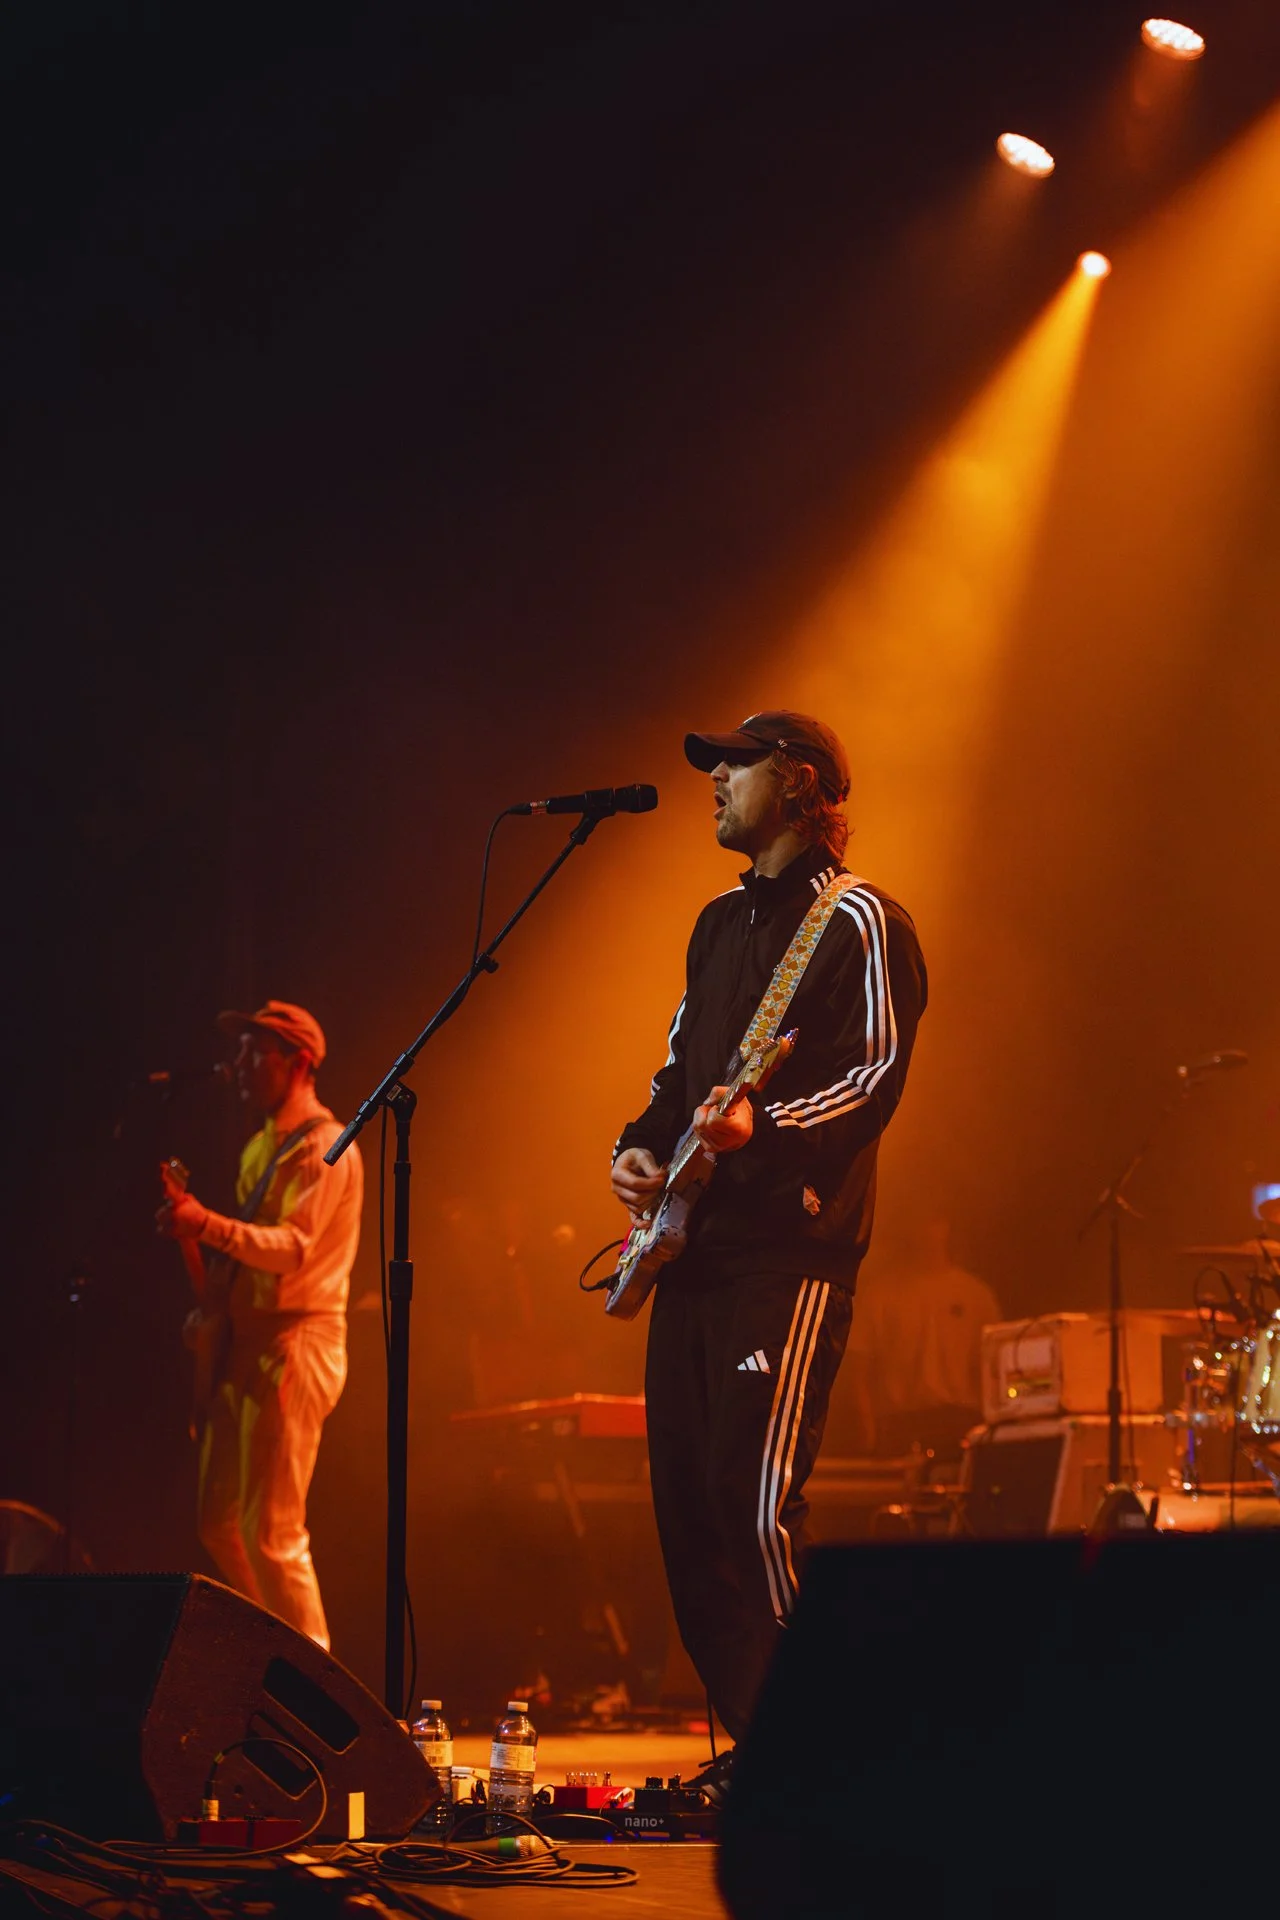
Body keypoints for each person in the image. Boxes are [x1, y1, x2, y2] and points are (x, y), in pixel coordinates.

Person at [610, 711, 927, 1793]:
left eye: (732, 767)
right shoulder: (713, 926)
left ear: (795, 785)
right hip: (691, 1254)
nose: (713, 783)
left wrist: (766, 1131)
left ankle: (824, 1753)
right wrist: (638, 1151)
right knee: (690, 1511)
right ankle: (764, 1750)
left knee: (752, 1503)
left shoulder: (860, 921)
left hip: (785, 1254)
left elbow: (869, 1076)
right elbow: (674, 1071)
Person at [156, 1000, 363, 1648]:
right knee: (221, 1521)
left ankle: (316, 1688)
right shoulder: (259, 1148)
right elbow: (249, 1261)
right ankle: (271, 1655)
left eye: (254, 1052)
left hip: (298, 1340)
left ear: (298, 1061)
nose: (238, 1065)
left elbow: (294, 1249)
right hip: (250, 1341)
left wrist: (206, 1224)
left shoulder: (325, 1147)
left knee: (272, 1532)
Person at [844, 1211, 1001, 1462]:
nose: (928, 1231)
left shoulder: (976, 1296)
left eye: (935, 1220)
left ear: (947, 1227)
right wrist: (868, 1430)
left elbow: (992, 1370)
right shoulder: (880, 1296)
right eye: (920, 1221)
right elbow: (858, 1369)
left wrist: (993, 1425)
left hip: (960, 1421)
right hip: (899, 1424)